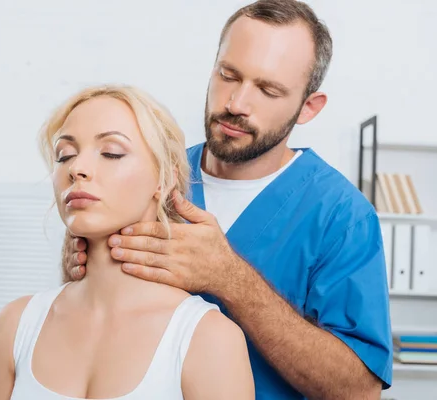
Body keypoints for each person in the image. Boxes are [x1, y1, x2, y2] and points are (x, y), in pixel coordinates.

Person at [62, 1, 394, 399]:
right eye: (228, 75)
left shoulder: (341, 217)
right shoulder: (148, 175)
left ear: (308, 107)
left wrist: (229, 280)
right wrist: (77, 268)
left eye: (268, 90)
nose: (236, 104)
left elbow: (358, 391)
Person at [0, 85, 255, 400]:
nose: (77, 169)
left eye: (111, 152)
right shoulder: (14, 326)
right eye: (64, 155)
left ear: (164, 180)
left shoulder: (209, 339)